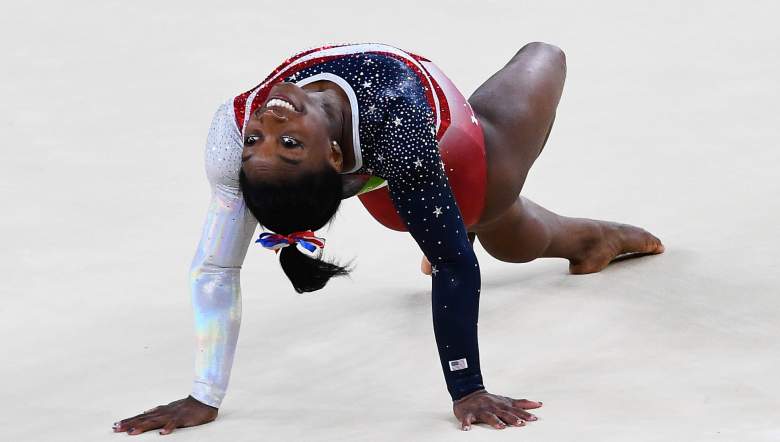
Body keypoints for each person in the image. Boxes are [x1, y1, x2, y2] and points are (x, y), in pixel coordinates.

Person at [113, 42, 663, 435]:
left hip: (402, 180)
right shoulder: (397, 123)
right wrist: (466, 388)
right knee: (544, 62)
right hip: (464, 168)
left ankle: (529, 234)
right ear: (330, 158)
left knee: (488, 230)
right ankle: (592, 238)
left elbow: (215, 264)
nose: (267, 124)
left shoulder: (234, 126)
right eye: (288, 146)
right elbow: (452, 264)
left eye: (261, 139)